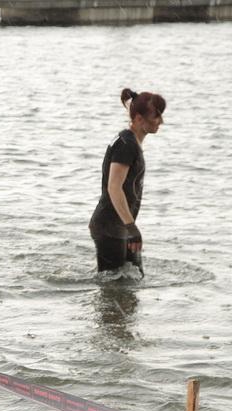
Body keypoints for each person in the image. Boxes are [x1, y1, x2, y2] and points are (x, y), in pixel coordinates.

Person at [89, 88, 165, 274]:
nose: (161, 121)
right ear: (139, 118)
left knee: (135, 277)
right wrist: (131, 227)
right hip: (110, 227)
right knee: (115, 284)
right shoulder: (126, 144)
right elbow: (114, 187)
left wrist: (129, 227)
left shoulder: (130, 141)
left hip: (121, 226)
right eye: (156, 116)